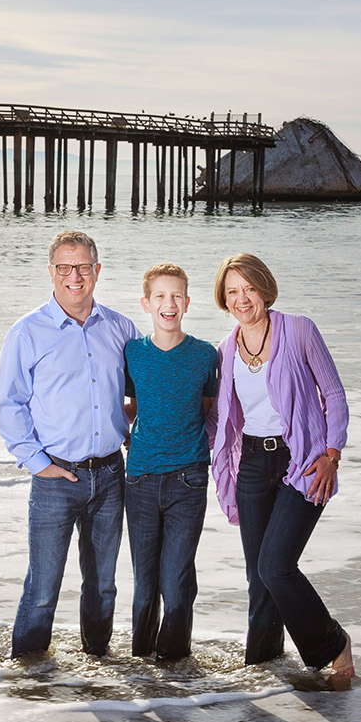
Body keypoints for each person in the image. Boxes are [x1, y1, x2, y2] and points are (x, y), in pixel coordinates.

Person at [209, 252, 356, 687]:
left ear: (265, 289)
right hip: (253, 463)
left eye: (249, 288)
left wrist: (332, 454)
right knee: (259, 580)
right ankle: (261, 670)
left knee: (275, 566)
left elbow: (333, 393)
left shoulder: (299, 329)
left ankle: (333, 644)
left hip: (304, 459)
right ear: (223, 298)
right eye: (232, 291)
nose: (242, 299)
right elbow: (219, 418)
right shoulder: (225, 350)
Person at [0, 230, 139, 661]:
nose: (74, 276)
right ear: (51, 272)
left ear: (97, 270)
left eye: (82, 267)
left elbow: (144, 388)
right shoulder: (27, 332)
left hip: (111, 475)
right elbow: (10, 403)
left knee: (103, 585)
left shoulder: (121, 328)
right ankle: (27, 675)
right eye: (64, 267)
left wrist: (129, 423)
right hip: (56, 477)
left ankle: (99, 668)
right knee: (43, 587)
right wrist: (36, 462)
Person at [121, 263, 220, 664]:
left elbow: (206, 406)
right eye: (160, 296)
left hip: (188, 479)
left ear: (188, 302)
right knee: (145, 584)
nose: (170, 303)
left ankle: (175, 665)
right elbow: (132, 404)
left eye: (177, 295)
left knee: (177, 581)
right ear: (146, 304)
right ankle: (141, 665)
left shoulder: (204, 354)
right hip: (140, 479)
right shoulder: (133, 353)